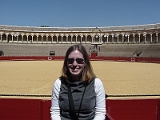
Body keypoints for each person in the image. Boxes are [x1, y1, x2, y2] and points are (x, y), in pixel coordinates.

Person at [50, 44, 106, 120]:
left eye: (79, 61)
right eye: (70, 61)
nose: (74, 64)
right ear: (66, 63)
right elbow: (55, 112)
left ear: (85, 62)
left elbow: (100, 113)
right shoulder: (58, 83)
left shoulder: (96, 83)